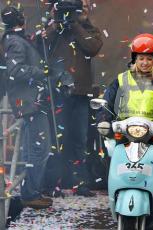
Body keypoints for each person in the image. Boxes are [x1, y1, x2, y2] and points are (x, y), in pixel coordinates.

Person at [96, 33, 153, 205]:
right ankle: (115, 190)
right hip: (126, 131)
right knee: (114, 155)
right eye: (140, 58)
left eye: (149, 59)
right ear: (134, 59)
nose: (144, 63)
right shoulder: (121, 79)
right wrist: (103, 119)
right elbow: (106, 101)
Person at [42, 0, 103, 197]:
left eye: (85, 7)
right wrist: (56, 20)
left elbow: (92, 47)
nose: (82, 10)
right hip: (58, 93)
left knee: (80, 140)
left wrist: (76, 24)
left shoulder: (89, 30)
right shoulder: (56, 27)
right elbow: (41, 43)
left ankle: (80, 184)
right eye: (79, 7)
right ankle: (55, 184)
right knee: (57, 140)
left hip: (81, 95)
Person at [1, 5, 52, 209]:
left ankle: (30, 191)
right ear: (21, 20)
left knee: (34, 148)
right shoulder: (14, 41)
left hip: (31, 101)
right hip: (28, 102)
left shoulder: (16, 40)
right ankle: (30, 194)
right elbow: (14, 70)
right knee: (39, 148)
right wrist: (40, 72)